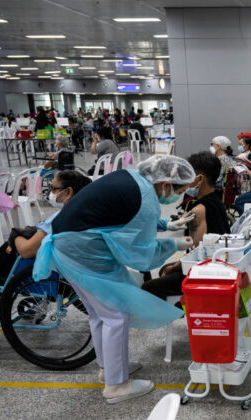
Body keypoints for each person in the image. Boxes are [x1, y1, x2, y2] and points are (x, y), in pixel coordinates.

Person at [33, 155, 196, 404]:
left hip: (68, 246)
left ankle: (108, 369)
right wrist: (173, 243)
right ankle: (117, 385)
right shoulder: (146, 199)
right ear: (165, 183)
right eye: (180, 190)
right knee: (116, 315)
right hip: (83, 251)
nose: (179, 197)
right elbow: (139, 254)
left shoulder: (133, 178)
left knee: (100, 313)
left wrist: (165, 224)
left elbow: (122, 217)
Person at [0, 170, 92, 316]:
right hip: (60, 271)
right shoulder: (83, 216)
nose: (50, 193)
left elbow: (27, 251)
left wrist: (15, 237)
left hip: (26, 266)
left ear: (68, 192)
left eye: (54, 189)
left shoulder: (59, 220)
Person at [142, 152, 230, 300]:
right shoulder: (217, 200)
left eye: (188, 175)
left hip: (207, 271)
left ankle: (182, 308)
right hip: (219, 262)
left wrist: (176, 266)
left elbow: (197, 254)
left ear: (199, 179)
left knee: (148, 287)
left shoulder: (198, 210)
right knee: (165, 270)